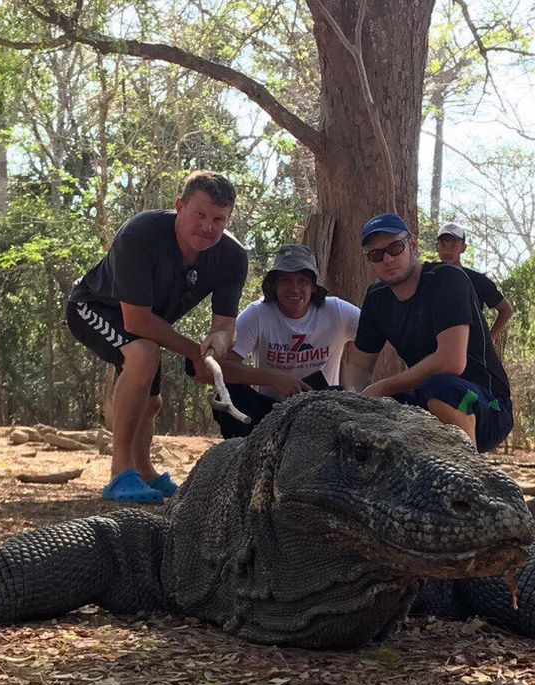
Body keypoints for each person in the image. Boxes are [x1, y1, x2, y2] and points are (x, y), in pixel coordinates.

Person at [67, 171, 248, 503]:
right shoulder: (139, 235)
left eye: (218, 219)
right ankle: (121, 472)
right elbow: (136, 321)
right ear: (180, 207)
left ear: (229, 219)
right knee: (144, 354)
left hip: (148, 324)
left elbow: (225, 326)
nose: (208, 227)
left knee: (151, 402)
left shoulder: (232, 257)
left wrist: (217, 344)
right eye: (200, 214)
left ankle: (145, 471)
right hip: (92, 308)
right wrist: (194, 351)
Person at [343, 213, 513, 453]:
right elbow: (359, 366)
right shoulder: (376, 297)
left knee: (440, 388)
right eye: (376, 255)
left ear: (413, 244)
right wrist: (354, 399)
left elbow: (451, 361)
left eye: (395, 248)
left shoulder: (448, 279)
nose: (388, 259)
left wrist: (382, 387)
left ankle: (468, 471)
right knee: (334, 399)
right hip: (423, 398)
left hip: (487, 404)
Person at [211, 244, 360, 438]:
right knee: (227, 393)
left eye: (302, 280)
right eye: (286, 280)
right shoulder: (257, 314)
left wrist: (353, 382)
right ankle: (242, 449)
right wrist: (274, 378)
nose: (294, 288)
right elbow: (221, 367)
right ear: (274, 284)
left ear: (314, 285)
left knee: (344, 396)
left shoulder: (337, 311)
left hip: (322, 409)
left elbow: (375, 330)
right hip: (267, 411)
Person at [435, 222, 513, 349]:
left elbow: (506, 310)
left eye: (454, 245)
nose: (447, 250)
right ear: (437, 247)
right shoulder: (428, 279)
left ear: (463, 248)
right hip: (436, 350)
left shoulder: (478, 280)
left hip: (470, 352)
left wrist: (488, 341)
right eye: (443, 244)